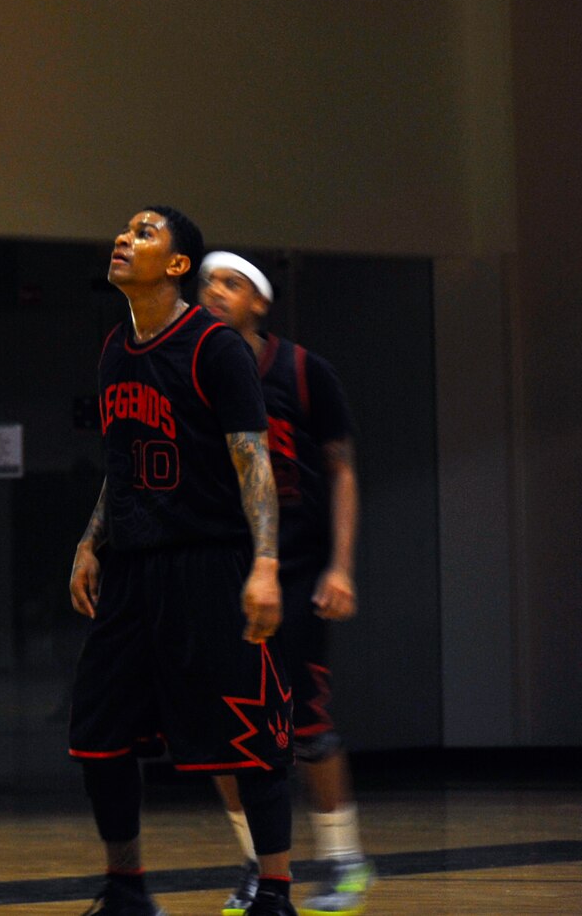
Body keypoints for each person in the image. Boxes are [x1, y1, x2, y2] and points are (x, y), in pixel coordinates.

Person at [67, 209, 295, 916]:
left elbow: (251, 460)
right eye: (124, 229)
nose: (123, 238)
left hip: (208, 560)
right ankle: (127, 886)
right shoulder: (114, 348)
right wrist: (90, 538)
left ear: (175, 265)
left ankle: (277, 891)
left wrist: (265, 564)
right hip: (133, 565)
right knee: (97, 735)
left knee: (250, 734)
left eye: (143, 232)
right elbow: (120, 458)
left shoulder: (214, 347)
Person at [198, 254, 373, 915]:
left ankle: (345, 860)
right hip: (225, 574)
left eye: (232, 283)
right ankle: (255, 864)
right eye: (208, 282)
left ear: (260, 302)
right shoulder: (199, 376)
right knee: (223, 730)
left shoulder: (304, 371)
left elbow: (344, 472)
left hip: (298, 571)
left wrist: (341, 565)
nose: (215, 292)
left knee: (308, 725)